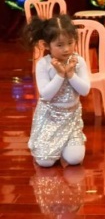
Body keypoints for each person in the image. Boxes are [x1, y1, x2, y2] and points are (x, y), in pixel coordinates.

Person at [23, 14, 90, 168]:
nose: (66, 49)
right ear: (46, 45)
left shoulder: (78, 62)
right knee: (45, 162)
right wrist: (60, 75)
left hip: (71, 118)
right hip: (50, 118)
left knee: (75, 159)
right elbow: (46, 95)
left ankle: (67, 145)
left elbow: (85, 90)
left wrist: (71, 74)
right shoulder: (43, 64)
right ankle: (51, 147)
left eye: (70, 43)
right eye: (59, 45)